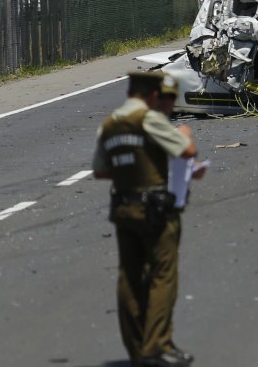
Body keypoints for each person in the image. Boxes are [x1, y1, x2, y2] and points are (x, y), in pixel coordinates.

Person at [92, 72, 198, 367]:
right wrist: (186, 135)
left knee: (129, 277)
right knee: (162, 275)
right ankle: (156, 346)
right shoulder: (148, 119)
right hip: (155, 209)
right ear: (151, 95)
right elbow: (186, 149)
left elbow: (100, 171)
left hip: (123, 207)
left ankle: (138, 349)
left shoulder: (110, 124)